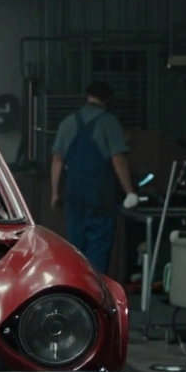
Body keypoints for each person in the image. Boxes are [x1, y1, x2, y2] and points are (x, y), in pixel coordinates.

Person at [50, 81, 139, 276]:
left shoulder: (68, 122)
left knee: (76, 246)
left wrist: (55, 192)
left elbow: (57, 159)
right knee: (99, 243)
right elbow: (118, 159)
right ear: (107, 99)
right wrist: (129, 191)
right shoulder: (109, 122)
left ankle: (77, 286)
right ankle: (94, 288)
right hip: (99, 192)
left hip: (73, 191)